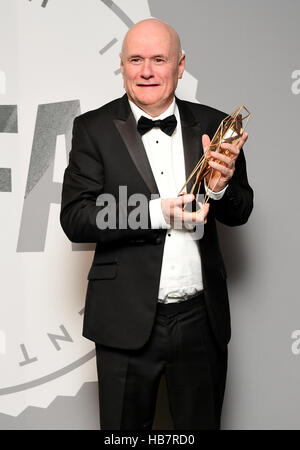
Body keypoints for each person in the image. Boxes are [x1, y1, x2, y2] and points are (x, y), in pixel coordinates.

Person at [60, 18, 253, 430]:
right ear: (122, 65)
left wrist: (219, 189)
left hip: (201, 318)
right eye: (136, 59)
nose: (146, 70)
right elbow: (76, 217)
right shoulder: (92, 129)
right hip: (123, 320)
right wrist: (154, 212)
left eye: (159, 59)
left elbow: (241, 211)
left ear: (180, 65)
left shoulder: (216, 126)